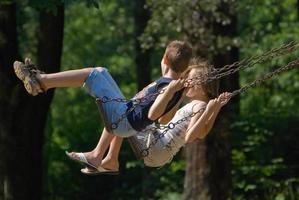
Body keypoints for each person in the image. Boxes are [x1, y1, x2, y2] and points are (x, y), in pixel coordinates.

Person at [13, 40, 193, 173]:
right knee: (102, 71)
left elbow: (157, 116)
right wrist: (178, 94)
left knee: (92, 75)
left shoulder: (168, 88)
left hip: (125, 123)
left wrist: (170, 93)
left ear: (165, 60)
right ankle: (109, 159)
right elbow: (165, 117)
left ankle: (41, 81)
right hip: (127, 121)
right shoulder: (174, 87)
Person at [80, 59, 231, 175]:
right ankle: (111, 159)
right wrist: (215, 109)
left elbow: (191, 136)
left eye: (191, 80)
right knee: (128, 114)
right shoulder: (201, 105)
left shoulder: (199, 105)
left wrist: (211, 110)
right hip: (160, 154)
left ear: (202, 83)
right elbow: (202, 133)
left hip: (158, 145)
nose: (188, 83)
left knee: (126, 113)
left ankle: (103, 156)